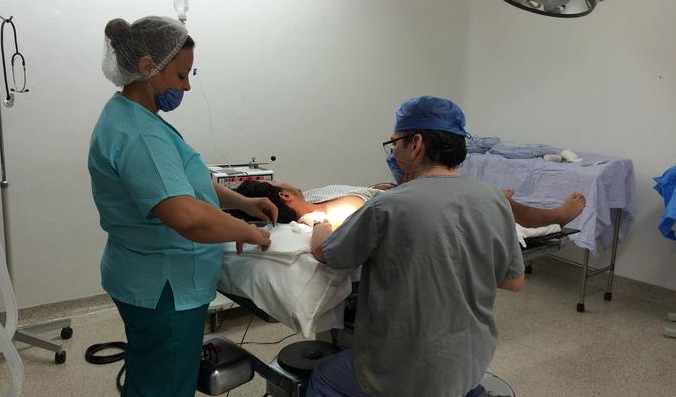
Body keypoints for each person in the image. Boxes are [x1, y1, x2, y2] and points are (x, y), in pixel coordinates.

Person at [284, 96, 525, 397]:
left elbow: (326, 253)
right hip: (470, 362)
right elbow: (514, 281)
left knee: (328, 382)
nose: (392, 151)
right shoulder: (493, 199)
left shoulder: (388, 205)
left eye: (395, 142)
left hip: (406, 369)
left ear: (416, 144)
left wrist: (316, 220)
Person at [88, 16, 277, 397]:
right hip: (165, 289)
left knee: (148, 383)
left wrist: (243, 203)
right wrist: (251, 233)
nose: (187, 86)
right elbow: (187, 217)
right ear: (148, 67)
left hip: (143, 277)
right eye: (180, 75)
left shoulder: (131, 114)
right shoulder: (140, 135)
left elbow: (186, 182)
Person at [236, 179, 586, 230]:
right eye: (282, 184)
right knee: (495, 203)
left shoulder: (312, 198)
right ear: (285, 197)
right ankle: (555, 216)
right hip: (425, 207)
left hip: (401, 193)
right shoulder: (327, 214)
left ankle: (489, 196)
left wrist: (374, 188)